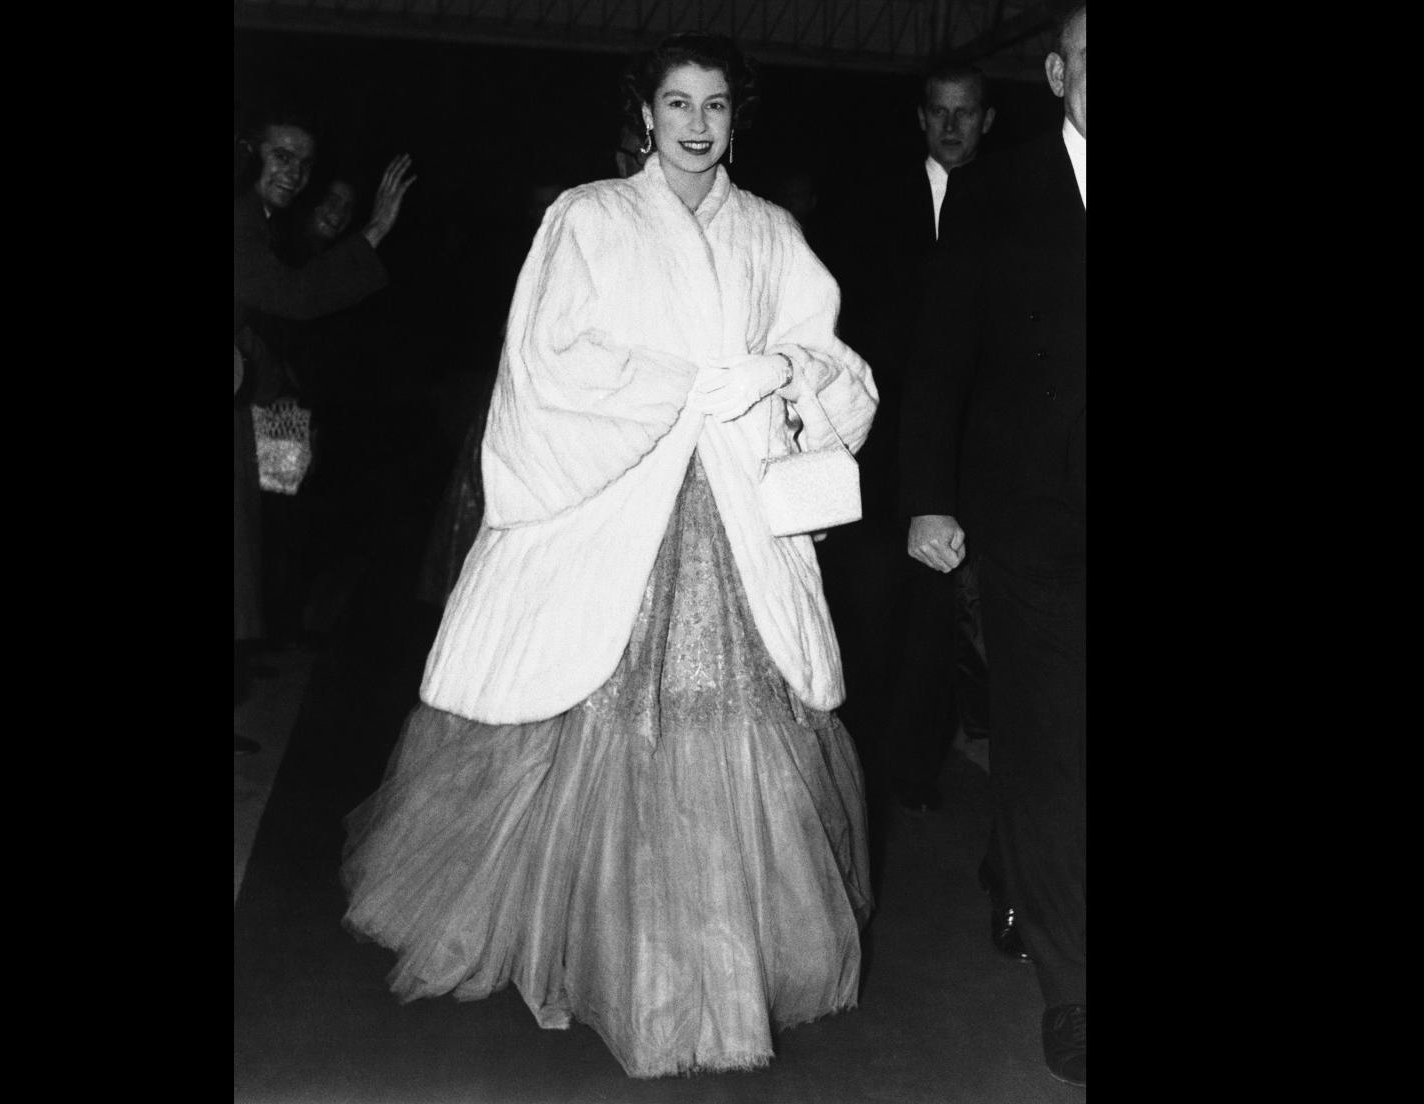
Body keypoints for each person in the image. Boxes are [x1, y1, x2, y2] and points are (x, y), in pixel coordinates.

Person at [339, 33, 879, 1079]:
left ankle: (710, 970)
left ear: (735, 120)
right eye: (676, 102)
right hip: (607, 508)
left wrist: (773, 369)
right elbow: (543, 363)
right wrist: (673, 386)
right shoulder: (585, 216)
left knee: (728, 734)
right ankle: (573, 949)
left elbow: (835, 365)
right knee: (579, 724)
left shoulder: (770, 232)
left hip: (729, 524)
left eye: (715, 106)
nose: (694, 123)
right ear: (644, 113)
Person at [900, 2, 1086, 1087]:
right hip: (1029, 522)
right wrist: (927, 497)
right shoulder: (995, 191)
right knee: (1050, 737)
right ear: (1056, 75)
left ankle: (1016, 866)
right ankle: (1073, 989)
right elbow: (940, 359)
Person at [826, 62, 997, 815]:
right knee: (868, 612)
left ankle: (914, 767)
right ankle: (856, 763)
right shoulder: (870, 205)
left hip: (967, 455)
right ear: (920, 120)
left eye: (965, 113)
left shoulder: (1010, 203)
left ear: (986, 120)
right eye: (939, 112)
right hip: (875, 451)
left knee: (936, 621)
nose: (952, 126)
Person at [234, 107, 412, 747]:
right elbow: (294, 305)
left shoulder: (273, 230)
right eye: (283, 157)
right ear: (251, 152)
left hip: (286, 409)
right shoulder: (269, 236)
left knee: (276, 524)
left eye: (308, 168)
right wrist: (375, 230)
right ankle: (266, 635)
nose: (301, 179)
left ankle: (271, 633)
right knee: (263, 529)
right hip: (271, 408)